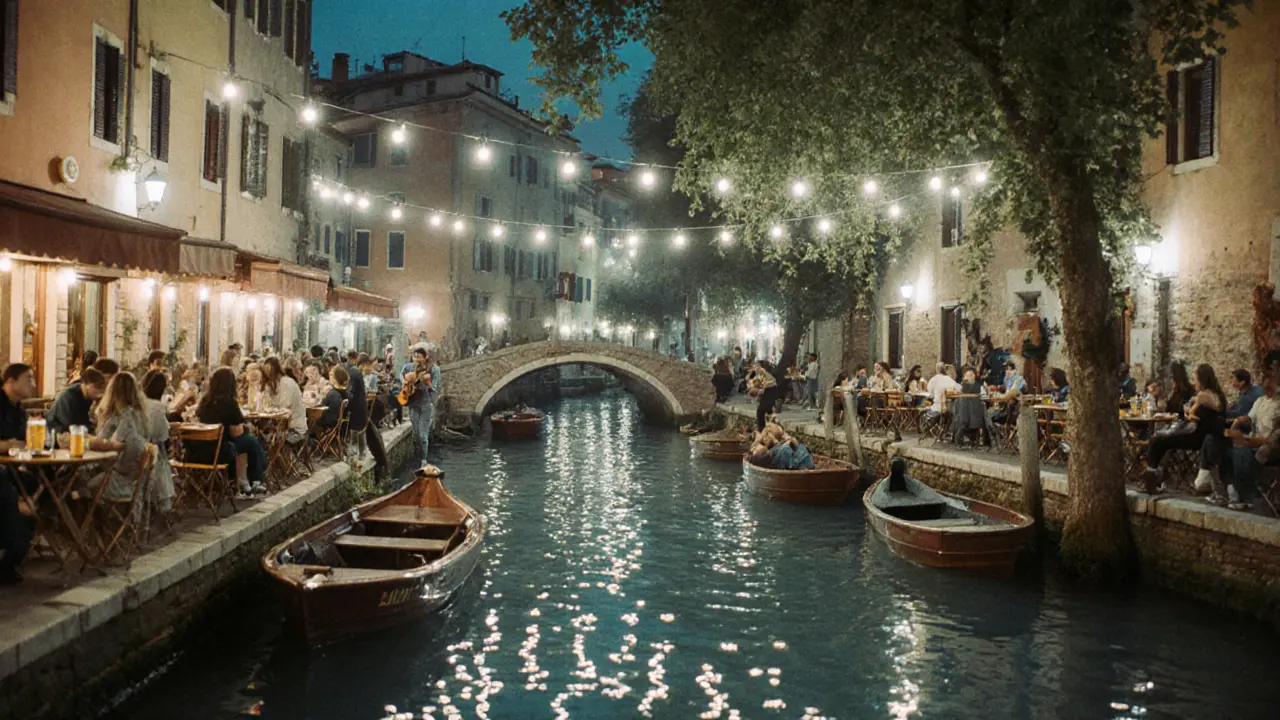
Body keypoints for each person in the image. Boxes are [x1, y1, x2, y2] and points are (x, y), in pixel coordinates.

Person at [1143, 363, 1225, 494]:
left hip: (1198, 436)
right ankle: (1152, 477)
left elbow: (1197, 414)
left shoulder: (1204, 396)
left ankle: (1151, 478)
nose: (1194, 382)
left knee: (1157, 440)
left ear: (1202, 379)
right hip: (1196, 432)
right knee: (1158, 440)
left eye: (1196, 378)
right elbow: (1193, 414)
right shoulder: (1209, 394)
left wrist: (1190, 412)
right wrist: (1189, 411)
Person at [195, 367, 268, 497]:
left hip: (200, 448)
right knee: (251, 441)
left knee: (247, 440)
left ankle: (244, 481)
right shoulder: (229, 402)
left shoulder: (205, 401)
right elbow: (236, 433)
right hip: (221, 449)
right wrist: (246, 427)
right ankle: (256, 480)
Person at [85, 372, 151, 506]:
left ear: (112, 391)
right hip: (135, 480)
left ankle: (83, 520)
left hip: (117, 480)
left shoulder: (124, 416)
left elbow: (110, 444)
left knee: (78, 480)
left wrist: (86, 440)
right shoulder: (140, 415)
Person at [1221, 367, 1280, 510]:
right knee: (1225, 451)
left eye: (1270, 388)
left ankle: (1246, 495)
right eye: (1265, 388)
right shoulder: (1260, 401)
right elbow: (1249, 417)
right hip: (1256, 440)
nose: (1267, 392)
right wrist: (1239, 421)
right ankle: (1232, 490)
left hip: (1272, 446)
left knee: (1242, 454)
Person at [0, 364, 37, 584]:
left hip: (12, 469)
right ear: (10, 382)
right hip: (3, 471)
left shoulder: (20, 410)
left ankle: (12, 559)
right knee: (10, 497)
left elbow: (24, 442)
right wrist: (6, 445)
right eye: (28, 379)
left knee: (36, 483)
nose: (33, 384)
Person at [345, 350, 387, 482]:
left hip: (359, 410)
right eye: (368, 365)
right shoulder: (356, 373)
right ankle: (359, 459)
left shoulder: (354, 373)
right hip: (360, 410)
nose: (370, 368)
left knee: (358, 437)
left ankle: (358, 459)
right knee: (359, 436)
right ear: (363, 364)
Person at [139, 370, 175, 515]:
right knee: (163, 453)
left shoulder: (139, 403)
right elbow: (162, 435)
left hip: (136, 449)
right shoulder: (157, 407)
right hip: (150, 452)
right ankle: (162, 503)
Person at [400, 346, 441, 458]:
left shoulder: (434, 369)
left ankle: (424, 460)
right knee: (416, 434)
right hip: (413, 404)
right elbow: (401, 374)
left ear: (425, 357)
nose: (416, 359)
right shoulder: (408, 367)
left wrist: (428, 382)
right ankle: (419, 455)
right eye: (414, 357)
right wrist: (404, 381)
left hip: (426, 404)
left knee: (423, 435)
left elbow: (435, 388)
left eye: (419, 357)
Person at [47, 367, 106, 436]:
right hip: (55, 431)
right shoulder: (70, 396)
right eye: (96, 388)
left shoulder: (88, 397)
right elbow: (73, 425)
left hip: (69, 432)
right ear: (86, 384)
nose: (100, 394)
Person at [262, 357, 308, 445]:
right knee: (260, 434)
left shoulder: (287, 383)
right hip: (283, 425)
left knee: (264, 438)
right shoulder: (275, 383)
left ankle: (272, 457)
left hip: (294, 429)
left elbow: (285, 406)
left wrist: (271, 406)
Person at [750, 360, 782, 431]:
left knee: (760, 410)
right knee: (768, 409)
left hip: (769, 389)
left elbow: (763, 383)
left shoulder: (761, 371)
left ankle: (761, 428)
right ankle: (772, 426)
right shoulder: (759, 372)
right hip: (769, 389)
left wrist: (759, 391)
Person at [318, 364, 351, 432]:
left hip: (330, 424)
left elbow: (328, 416)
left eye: (331, 375)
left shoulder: (333, 394)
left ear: (335, 379)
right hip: (341, 424)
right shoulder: (346, 392)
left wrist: (323, 396)